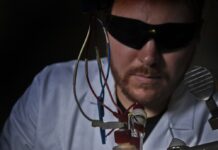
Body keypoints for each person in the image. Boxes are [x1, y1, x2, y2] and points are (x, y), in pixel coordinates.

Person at [1, 0, 218, 149]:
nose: (149, 57)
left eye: (172, 36)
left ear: (196, 36)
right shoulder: (49, 94)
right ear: (105, 28)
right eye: (131, 32)